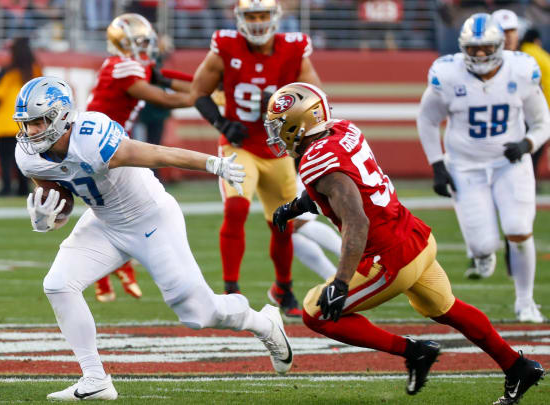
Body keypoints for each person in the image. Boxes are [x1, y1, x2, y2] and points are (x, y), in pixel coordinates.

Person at [13, 76, 292, 400]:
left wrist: (212, 163)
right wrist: (48, 218)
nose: (31, 131)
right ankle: (95, 379)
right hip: (104, 223)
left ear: (61, 116)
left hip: (150, 219)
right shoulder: (28, 155)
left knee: (198, 315)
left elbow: (158, 154)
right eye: (26, 123)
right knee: (58, 284)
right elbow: (62, 196)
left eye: (37, 122)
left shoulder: (91, 137)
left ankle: (263, 322)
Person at [268, 82, 545, 405]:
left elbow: (356, 217)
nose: (276, 134)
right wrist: (297, 206)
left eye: (279, 126)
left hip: (389, 256)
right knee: (447, 308)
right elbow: (344, 186)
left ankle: (414, 352)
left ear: (299, 124)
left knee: (315, 313)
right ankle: (517, 365)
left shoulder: (317, 161)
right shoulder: (344, 129)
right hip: (415, 236)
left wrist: (341, 282)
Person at [190, 0, 322, 317]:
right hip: (240, 145)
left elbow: (315, 95)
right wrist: (221, 123)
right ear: (240, 18)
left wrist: (284, 101)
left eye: (264, 15)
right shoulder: (225, 45)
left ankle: (283, 288)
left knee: (283, 224)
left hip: (277, 149)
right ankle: (231, 290)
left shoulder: (294, 48)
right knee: (236, 208)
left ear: (275, 18)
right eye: (252, 16)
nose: (259, 22)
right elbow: (198, 92)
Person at [416, 14, 549, 323]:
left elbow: (543, 122)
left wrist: (526, 144)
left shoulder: (521, 70)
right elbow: (427, 119)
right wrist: (437, 164)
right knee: (482, 244)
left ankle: (525, 301)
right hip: (465, 166)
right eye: (472, 48)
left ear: (499, 46)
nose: (478, 55)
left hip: (510, 164)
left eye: (485, 47)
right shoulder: (447, 74)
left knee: (518, 229)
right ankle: (483, 254)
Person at [86, 13, 193, 303]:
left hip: (111, 140)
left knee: (110, 206)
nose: (145, 47)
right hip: (99, 145)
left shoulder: (129, 64)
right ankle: (117, 266)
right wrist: (201, 97)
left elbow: (165, 78)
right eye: (140, 42)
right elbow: (163, 96)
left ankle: (112, 271)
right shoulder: (123, 66)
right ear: (123, 43)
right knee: (134, 205)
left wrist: (204, 86)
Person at [0, 37, 40, 197]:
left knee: (5, 159)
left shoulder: (6, 72)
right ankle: (24, 188)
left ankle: (6, 187)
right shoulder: (35, 71)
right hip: (26, 122)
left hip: (6, 122)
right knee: (24, 158)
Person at [520, 27, 550, 183]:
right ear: (537, 40)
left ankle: (525, 178)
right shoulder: (543, 56)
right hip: (544, 107)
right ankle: (530, 179)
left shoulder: (522, 55)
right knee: (535, 145)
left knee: (526, 145)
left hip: (524, 108)